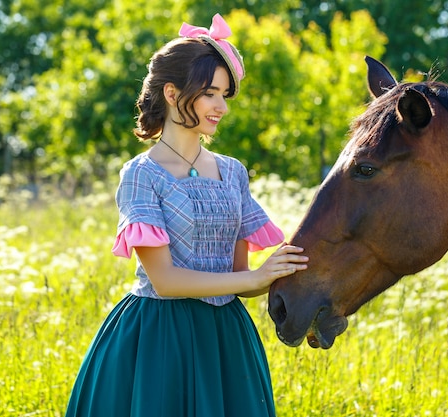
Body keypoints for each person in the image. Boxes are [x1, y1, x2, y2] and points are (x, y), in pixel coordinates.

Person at [65, 13, 308, 417]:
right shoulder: (141, 175)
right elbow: (165, 280)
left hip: (226, 339)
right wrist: (253, 277)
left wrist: (273, 272)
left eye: (225, 95)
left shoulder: (233, 171)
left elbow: (239, 276)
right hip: (160, 338)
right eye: (210, 93)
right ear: (174, 93)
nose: (221, 108)